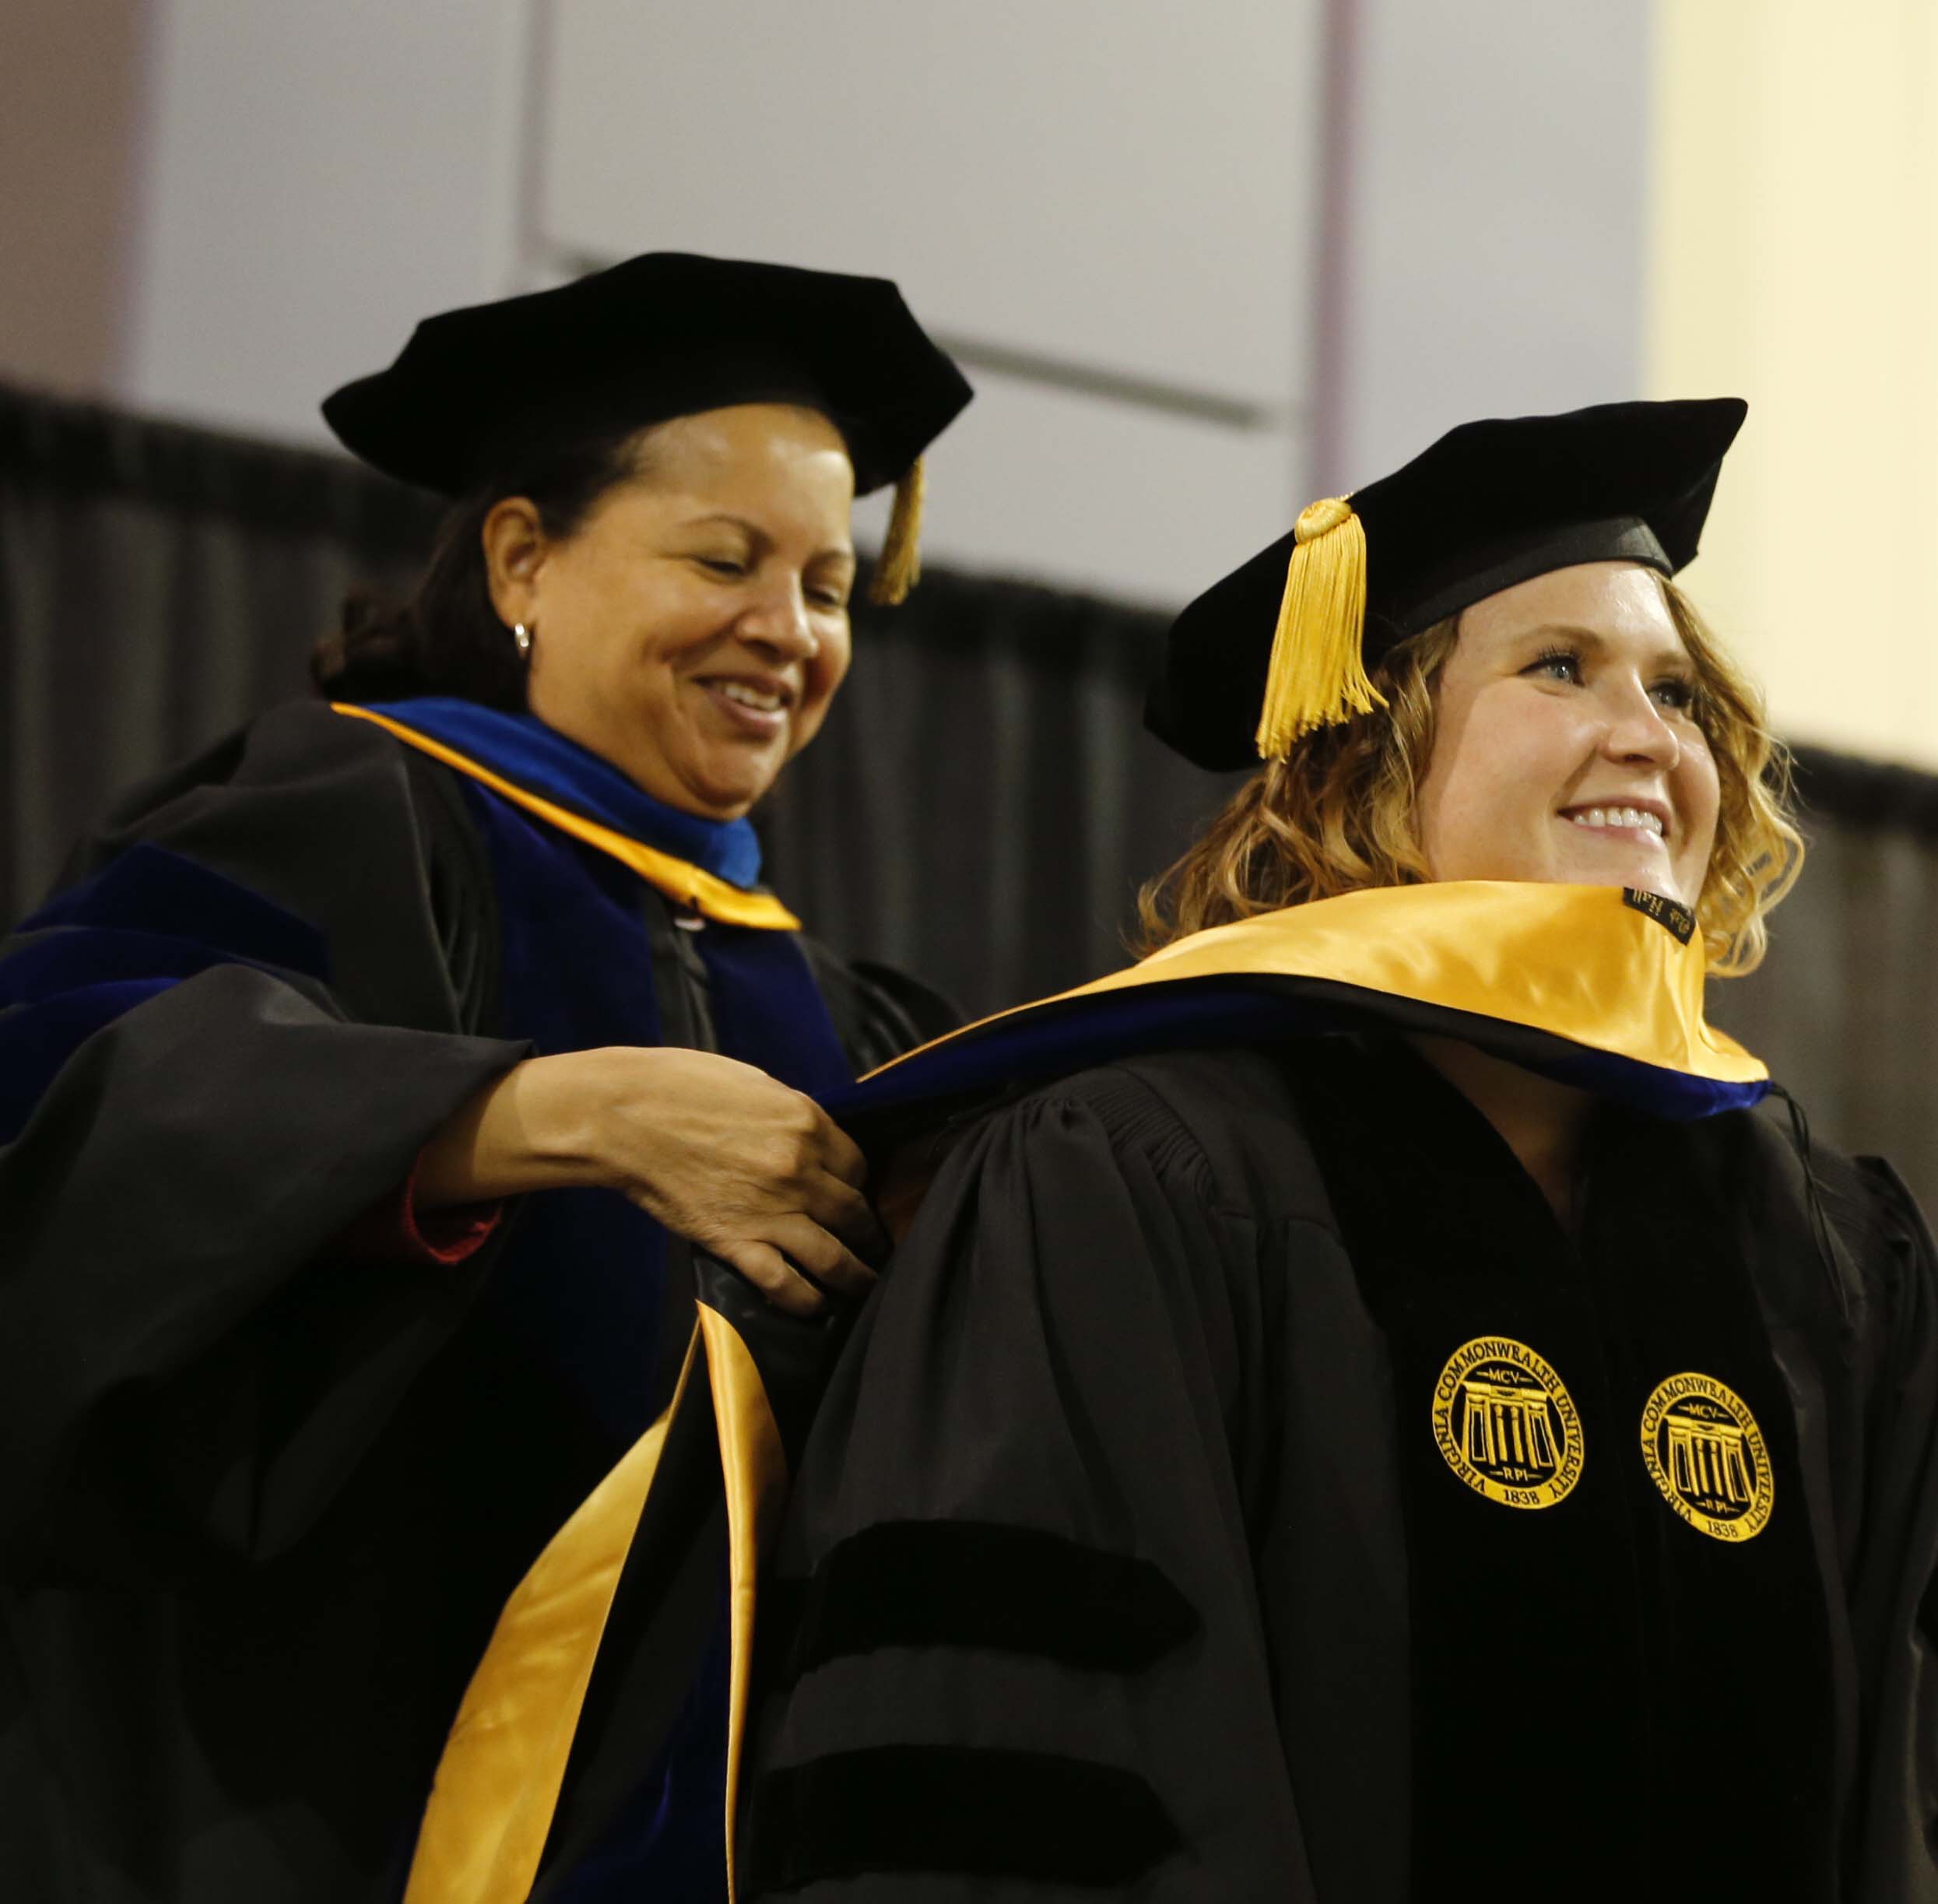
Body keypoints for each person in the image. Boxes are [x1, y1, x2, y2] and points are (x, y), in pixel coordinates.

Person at [694, 399, 1933, 1900]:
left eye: (1678, 695)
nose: (1648, 739)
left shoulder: (1819, 1243)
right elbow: (1002, 1772)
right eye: (1561, 667)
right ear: (1363, 762)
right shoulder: (1125, 1172)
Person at [0, 252, 971, 1902]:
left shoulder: (831, 1000)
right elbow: (67, 1089)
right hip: (314, 1810)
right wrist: (551, 1114)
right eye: (723, 558)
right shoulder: (345, 809)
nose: (788, 631)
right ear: (525, 557)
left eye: (824, 582)